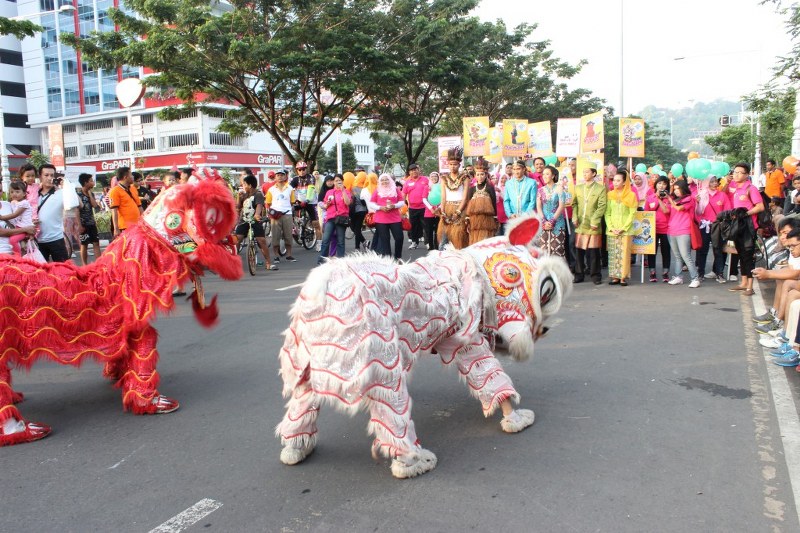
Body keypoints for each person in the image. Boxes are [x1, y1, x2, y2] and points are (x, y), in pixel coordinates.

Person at [727, 162, 765, 295]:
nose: (736, 174)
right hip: (738, 226)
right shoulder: (736, 188)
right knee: (741, 254)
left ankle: (750, 286)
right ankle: (743, 282)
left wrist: (746, 213)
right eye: (735, 172)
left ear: (747, 175)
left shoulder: (751, 188)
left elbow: (760, 207)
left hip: (749, 227)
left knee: (748, 256)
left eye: (740, 172)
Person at [572, 162, 607, 285]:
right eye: (584, 172)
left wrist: (595, 220)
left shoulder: (601, 188)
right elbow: (574, 204)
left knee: (593, 252)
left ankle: (595, 275)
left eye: (587, 172)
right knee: (579, 251)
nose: (585, 174)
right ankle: (579, 274)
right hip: (580, 224)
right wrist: (574, 217)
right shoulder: (578, 187)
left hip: (593, 225)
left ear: (594, 173)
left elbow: (602, 206)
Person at [234, 174, 276, 270]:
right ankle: (233, 261)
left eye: (244, 184)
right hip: (243, 220)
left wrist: (257, 214)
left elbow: (259, 206)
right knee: (237, 239)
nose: (243, 186)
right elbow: (238, 208)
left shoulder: (258, 194)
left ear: (250, 185)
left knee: (261, 240)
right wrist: (238, 199)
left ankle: (268, 262)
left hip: (255, 221)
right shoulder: (243, 195)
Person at [665, 179, 701, 288]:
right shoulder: (674, 199)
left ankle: (695, 278)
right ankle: (678, 276)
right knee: (677, 256)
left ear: (683, 188)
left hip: (684, 230)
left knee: (686, 256)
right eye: (674, 189)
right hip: (671, 230)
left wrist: (669, 199)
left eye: (678, 189)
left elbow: (679, 208)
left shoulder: (689, 199)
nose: (675, 191)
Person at [696, 176, 731, 282]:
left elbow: (727, 211)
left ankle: (719, 273)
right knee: (703, 251)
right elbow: (698, 213)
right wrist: (697, 203)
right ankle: (700, 273)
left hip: (718, 226)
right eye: (712, 182)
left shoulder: (722, 195)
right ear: (707, 183)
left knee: (718, 250)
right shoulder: (701, 195)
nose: (715, 183)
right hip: (704, 226)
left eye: (716, 181)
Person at [605, 170, 637, 286]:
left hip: (626, 230)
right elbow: (607, 213)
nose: (615, 182)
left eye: (618, 180)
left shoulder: (631, 195)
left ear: (624, 182)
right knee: (613, 253)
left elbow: (632, 213)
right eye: (614, 180)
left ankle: (623, 277)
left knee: (624, 253)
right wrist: (611, 227)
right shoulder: (610, 195)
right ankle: (614, 277)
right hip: (612, 229)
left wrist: (624, 228)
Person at [437, 147, 470, 250]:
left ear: (459, 165)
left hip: (460, 208)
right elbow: (443, 196)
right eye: (450, 164)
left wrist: (458, 212)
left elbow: (465, 197)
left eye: (455, 164)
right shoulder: (444, 178)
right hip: (447, 208)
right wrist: (442, 210)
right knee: (443, 239)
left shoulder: (465, 177)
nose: (452, 167)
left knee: (458, 238)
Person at [36, 164, 69, 262]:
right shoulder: (33, 194)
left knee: (63, 271)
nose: (49, 178)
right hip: (37, 241)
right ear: (40, 177)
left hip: (56, 239)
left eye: (52, 175)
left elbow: (78, 204)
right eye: (46, 175)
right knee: (40, 273)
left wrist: (67, 186)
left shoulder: (61, 193)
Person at [369, 173, 405, 260]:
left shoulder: (395, 189)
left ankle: (398, 257)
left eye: (386, 179)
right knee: (385, 239)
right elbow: (371, 203)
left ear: (390, 180)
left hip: (395, 218)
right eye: (382, 180)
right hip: (381, 219)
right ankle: (388, 258)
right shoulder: (377, 190)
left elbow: (402, 202)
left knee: (399, 237)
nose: (384, 181)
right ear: (380, 181)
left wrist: (394, 206)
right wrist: (380, 207)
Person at [317, 174, 352, 263]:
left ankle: (340, 260)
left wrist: (343, 190)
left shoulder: (346, 191)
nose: (338, 182)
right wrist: (327, 204)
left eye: (340, 180)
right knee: (326, 239)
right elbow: (324, 206)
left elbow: (347, 203)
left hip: (341, 218)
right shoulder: (329, 192)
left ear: (342, 181)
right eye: (336, 181)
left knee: (340, 241)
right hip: (331, 218)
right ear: (333, 182)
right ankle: (323, 259)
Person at [644, 176, 672, 282]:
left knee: (666, 251)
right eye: (659, 183)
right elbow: (646, 213)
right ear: (656, 184)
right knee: (652, 251)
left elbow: (666, 211)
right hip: (653, 229)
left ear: (667, 186)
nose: (661, 186)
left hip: (666, 229)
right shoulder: (650, 197)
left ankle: (665, 272)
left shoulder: (669, 198)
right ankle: (652, 272)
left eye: (664, 184)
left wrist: (661, 199)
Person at [266, 169, 297, 263]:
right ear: (275, 177)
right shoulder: (271, 189)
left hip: (287, 214)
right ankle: (276, 256)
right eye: (278, 175)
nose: (280, 176)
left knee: (288, 235)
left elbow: (292, 201)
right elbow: (268, 202)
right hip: (275, 215)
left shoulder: (290, 188)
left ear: (285, 176)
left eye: (282, 175)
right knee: (275, 236)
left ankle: (289, 255)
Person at [536, 165, 566, 257]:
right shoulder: (540, 190)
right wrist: (544, 221)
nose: (544, 176)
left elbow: (561, 206)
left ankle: (557, 271)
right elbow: (539, 207)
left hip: (558, 223)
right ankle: (545, 271)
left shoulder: (559, 188)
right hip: (543, 223)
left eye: (547, 174)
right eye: (543, 174)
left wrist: (552, 221)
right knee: (543, 249)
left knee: (557, 249)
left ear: (553, 176)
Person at [291, 161, 322, 250]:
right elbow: (289, 190)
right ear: (297, 170)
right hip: (299, 201)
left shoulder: (311, 177)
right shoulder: (295, 179)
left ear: (306, 169)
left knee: (315, 223)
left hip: (310, 202)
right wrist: (293, 200)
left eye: (304, 169)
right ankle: (295, 228)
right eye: (299, 169)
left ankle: (319, 243)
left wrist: (307, 200)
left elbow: (311, 189)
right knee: (289, 212)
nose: (302, 171)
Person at [0, 180, 37, 255]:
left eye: (0, 190)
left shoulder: (8, 204)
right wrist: (26, 229)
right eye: (12, 192)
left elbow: (16, 218)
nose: (14, 194)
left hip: (14, 250)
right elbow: (1, 232)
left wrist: (30, 230)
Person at [464, 164, 497, 245]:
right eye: (478, 174)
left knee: (486, 240)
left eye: (482, 174)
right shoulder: (471, 189)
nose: (480, 176)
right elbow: (468, 205)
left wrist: (495, 218)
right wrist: (467, 219)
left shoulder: (490, 188)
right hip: (474, 220)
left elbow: (493, 203)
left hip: (487, 220)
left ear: (486, 175)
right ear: (475, 176)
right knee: (475, 241)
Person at [109, 166, 143, 238]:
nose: (133, 176)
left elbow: (139, 206)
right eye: (131, 175)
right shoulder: (115, 191)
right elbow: (114, 211)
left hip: (137, 225)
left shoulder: (133, 188)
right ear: (125, 177)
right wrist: (116, 228)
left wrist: (144, 221)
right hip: (124, 226)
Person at [403, 163, 429, 250]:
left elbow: (431, 190)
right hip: (412, 208)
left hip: (424, 207)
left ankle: (428, 243)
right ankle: (414, 242)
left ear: (418, 170)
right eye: (412, 170)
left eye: (415, 169)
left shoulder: (425, 179)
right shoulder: (407, 182)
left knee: (426, 226)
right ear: (409, 172)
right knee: (413, 226)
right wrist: (403, 206)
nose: (414, 171)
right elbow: (403, 194)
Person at [77, 173, 101, 265]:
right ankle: (84, 265)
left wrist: (90, 194)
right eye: (91, 181)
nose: (93, 182)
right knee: (84, 244)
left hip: (92, 223)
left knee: (96, 243)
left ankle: (99, 264)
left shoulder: (91, 194)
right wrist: (79, 225)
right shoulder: (78, 195)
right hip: (83, 224)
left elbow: (95, 206)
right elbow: (77, 211)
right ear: (85, 182)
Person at [350, 171, 369, 251]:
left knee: (354, 228)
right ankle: (361, 244)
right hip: (363, 210)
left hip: (353, 210)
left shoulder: (352, 187)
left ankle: (360, 245)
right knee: (358, 229)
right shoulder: (366, 188)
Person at [422, 171, 441, 251]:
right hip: (429, 213)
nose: (434, 178)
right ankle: (430, 246)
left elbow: (444, 199)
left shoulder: (441, 187)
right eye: (432, 176)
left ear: (438, 177)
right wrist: (431, 209)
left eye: (435, 176)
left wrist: (438, 208)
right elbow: (424, 199)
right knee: (429, 231)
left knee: (438, 230)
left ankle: (437, 246)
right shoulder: (427, 187)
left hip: (439, 212)